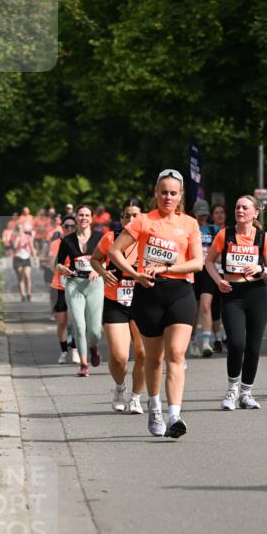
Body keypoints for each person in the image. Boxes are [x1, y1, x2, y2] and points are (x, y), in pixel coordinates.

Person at [108, 169, 202, 438]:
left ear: (181, 195)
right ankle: (154, 407)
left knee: (176, 354)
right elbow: (115, 252)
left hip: (180, 292)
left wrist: (168, 266)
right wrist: (135, 273)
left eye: (173, 193)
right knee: (153, 357)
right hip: (148, 293)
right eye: (163, 192)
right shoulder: (143, 221)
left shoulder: (190, 224)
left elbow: (197, 262)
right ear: (155, 194)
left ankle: (175, 416)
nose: (168, 197)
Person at [205, 195, 267, 410]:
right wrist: (219, 281)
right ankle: (232, 389)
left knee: (253, 347)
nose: (240, 210)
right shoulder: (225, 235)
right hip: (231, 293)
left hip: (256, 294)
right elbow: (208, 261)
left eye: (245, 207)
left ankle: (246, 393)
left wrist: (260, 269)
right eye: (237, 207)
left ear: (255, 212)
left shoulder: (263, 237)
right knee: (237, 344)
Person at [91, 199, 147, 414]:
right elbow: (95, 259)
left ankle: (136, 397)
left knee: (142, 353)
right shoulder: (110, 238)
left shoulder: (149, 240)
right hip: (115, 301)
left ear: (142, 218)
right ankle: (120, 387)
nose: (131, 220)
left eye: (135, 215)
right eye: (127, 216)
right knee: (119, 356)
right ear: (121, 218)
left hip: (142, 301)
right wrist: (103, 272)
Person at [56, 204, 105, 377]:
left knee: (94, 330)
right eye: (80, 215)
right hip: (74, 283)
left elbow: (109, 260)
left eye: (86, 215)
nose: (83, 218)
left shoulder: (100, 237)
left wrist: (98, 269)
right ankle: (84, 364)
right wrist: (63, 269)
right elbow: (59, 262)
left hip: (95, 284)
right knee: (78, 323)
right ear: (76, 217)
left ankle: (93, 347)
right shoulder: (67, 240)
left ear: (91, 218)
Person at [190, 198, 220, 357]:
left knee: (206, 306)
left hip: (208, 270)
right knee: (194, 310)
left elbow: (219, 250)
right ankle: (193, 341)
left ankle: (206, 343)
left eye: (204, 214)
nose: (202, 217)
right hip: (192, 271)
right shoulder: (189, 227)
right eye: (200, 214)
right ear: (194, 214)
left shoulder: (213, 229)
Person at [50, 215, 79, 363]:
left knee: (75, 320)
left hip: (75, 285)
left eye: (72, 226)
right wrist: (60, 264)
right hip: (58, 286)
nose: (69, 229)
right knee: (61, 321)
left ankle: (74, 349)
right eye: (66, 226)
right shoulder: (55, 243)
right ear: (62, 227)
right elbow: (52, 265)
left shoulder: (79, 241)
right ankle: (63, 351)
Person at [209, 203, 228, 350]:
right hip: (213, 272)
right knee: (215, 307)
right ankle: (216, 339)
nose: (219, 215)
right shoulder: (208, 232)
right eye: (216, 213)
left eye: (222, 212)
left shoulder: (231, 232)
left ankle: (226, 336)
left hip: (228, 273)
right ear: (212, 216)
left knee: (227, 306)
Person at [10, 222, 37, 301]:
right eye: (17, 228)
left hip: (26, 257)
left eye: (20, 228)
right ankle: (23, 295)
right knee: (20, 277)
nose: (19, 230)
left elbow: (32, 247)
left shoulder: (28, 237)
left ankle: (29, 294)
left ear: (23, 229)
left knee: (27, 275)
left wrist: (35, 257)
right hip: (17, 258)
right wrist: (17, 238)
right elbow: (14, 247)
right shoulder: (14, 236)